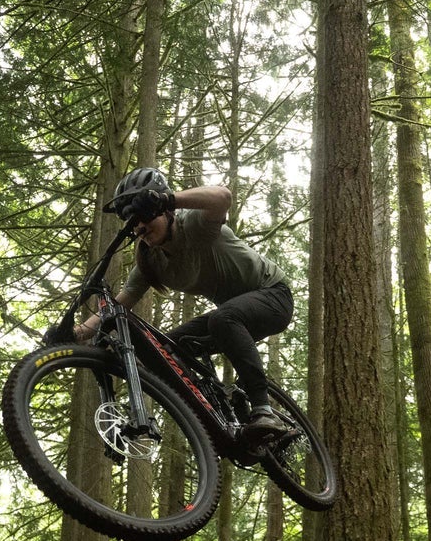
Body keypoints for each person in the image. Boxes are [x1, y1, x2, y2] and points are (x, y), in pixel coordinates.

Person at [81, 166, 294, 436]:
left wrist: (169, 198)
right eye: (133, 222)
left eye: (144, 215)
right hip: (233, 315)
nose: (140, 227)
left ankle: (263, 410)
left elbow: (222, 197)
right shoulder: (150, 260)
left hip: (274, 295)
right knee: (163, 348)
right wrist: (76, 333)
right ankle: (223, 413)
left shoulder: (193, 224)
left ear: (164, 209)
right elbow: (119, 304)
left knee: (223, 319)